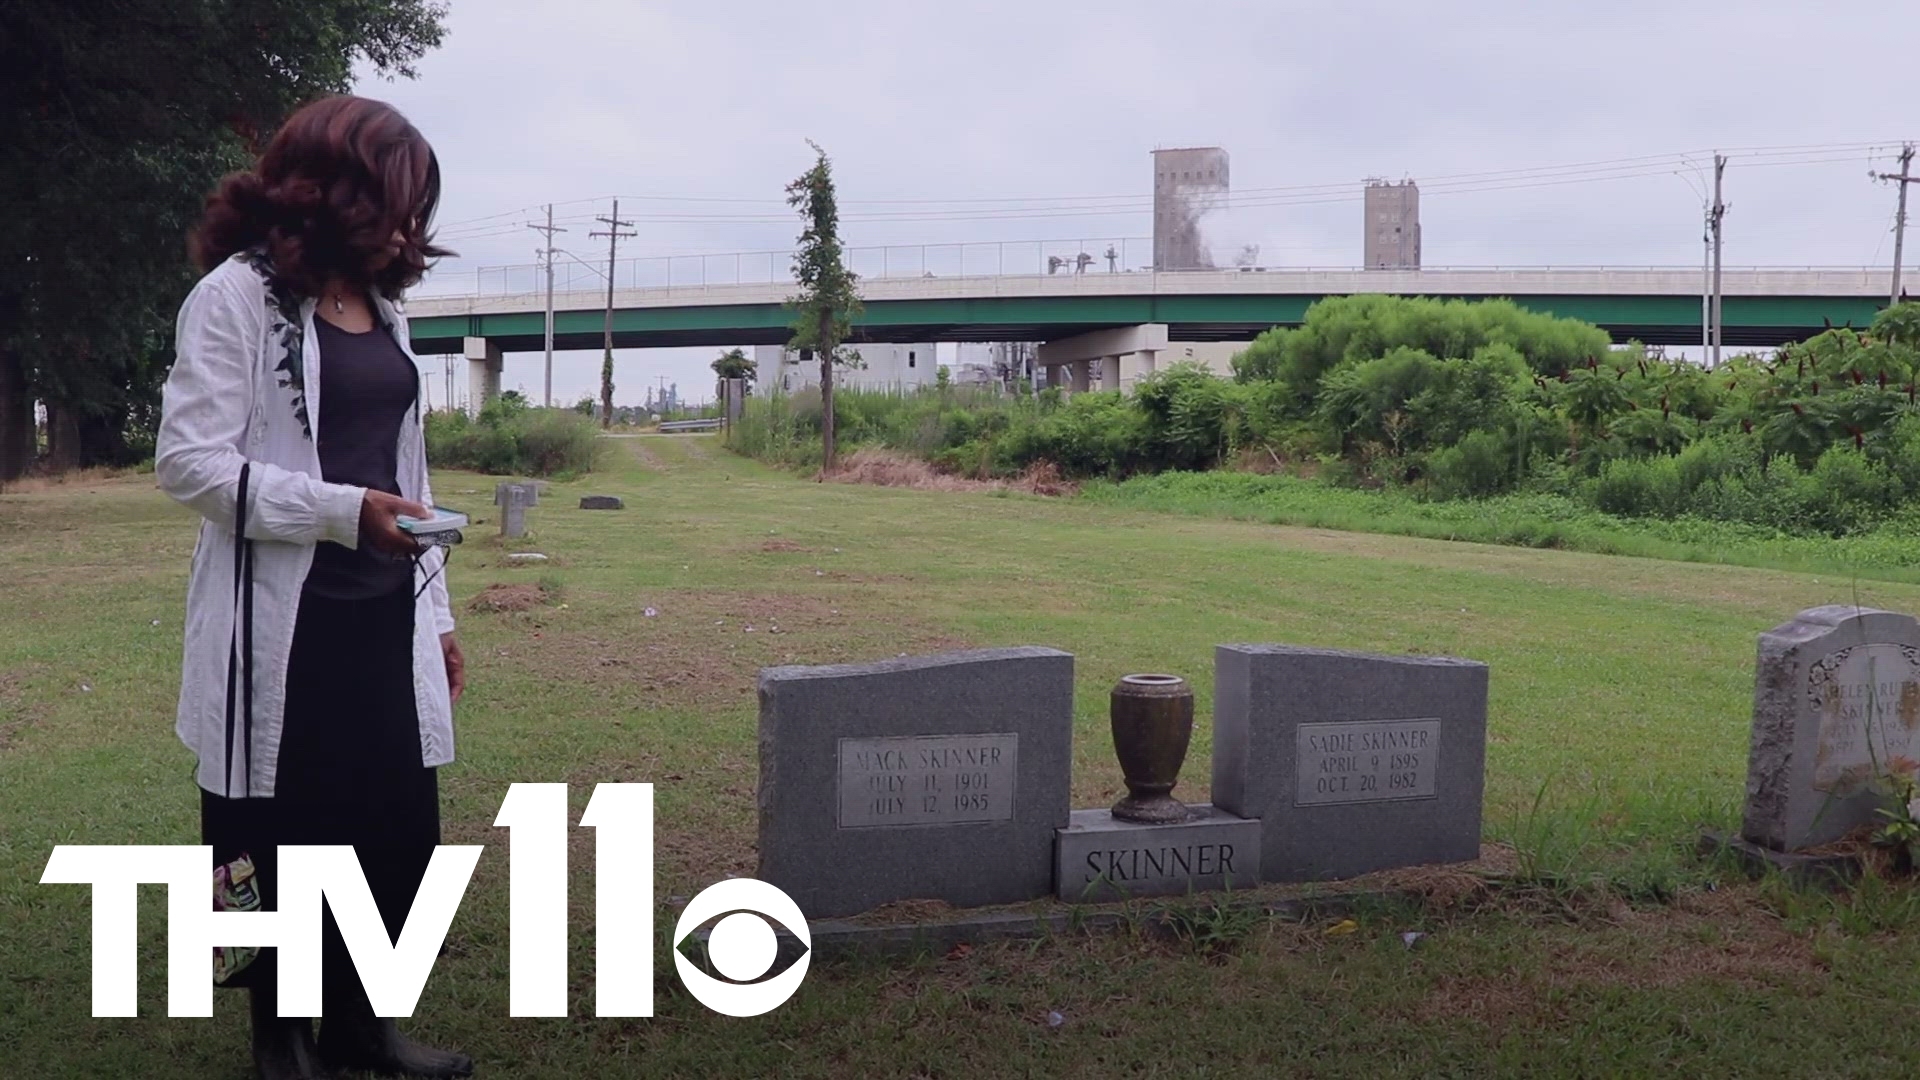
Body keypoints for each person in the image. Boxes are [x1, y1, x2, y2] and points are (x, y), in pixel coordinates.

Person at [156, 94, 471, 1080]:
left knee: (395, 831)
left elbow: (406, 469)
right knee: (262, 845)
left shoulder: (386, 309)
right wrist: (344, 512)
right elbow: (190, 464)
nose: (412, 228)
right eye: (397, 201)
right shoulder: (235, 299)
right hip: (277, 632)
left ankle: (363, 1034)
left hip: (386, 620)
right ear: (334, 190)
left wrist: (446, 618)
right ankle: (279, 1046)